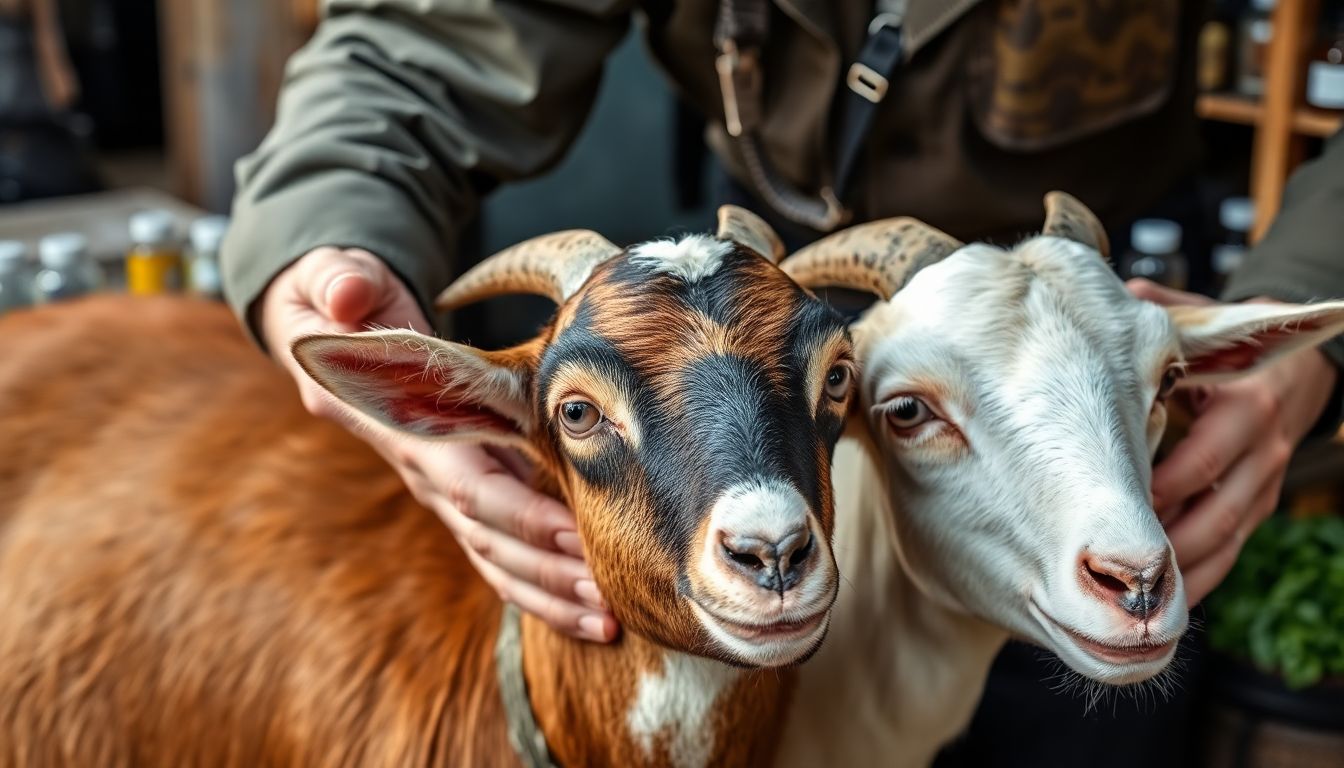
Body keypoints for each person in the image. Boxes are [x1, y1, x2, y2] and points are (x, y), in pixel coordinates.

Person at [222, 0, 1344, 762]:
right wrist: (319, 251)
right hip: (770, 343)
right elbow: (416, 46)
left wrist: (1311, 325)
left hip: (1100, 377)